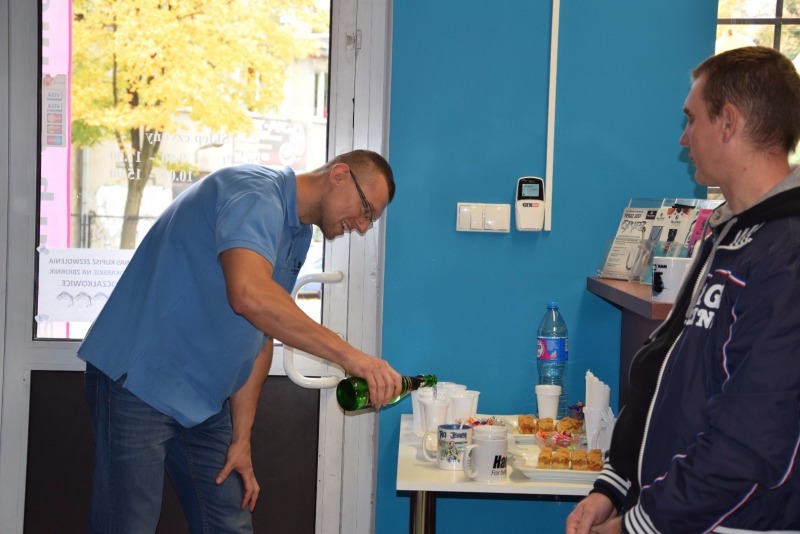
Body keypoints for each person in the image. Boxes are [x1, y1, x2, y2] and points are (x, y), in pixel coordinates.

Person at [78, 149, 403, 533]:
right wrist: (353, 358)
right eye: (366, 210)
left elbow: (259, 335)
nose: (363, 227)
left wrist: (241, 438)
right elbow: (248, 294)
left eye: (371, 220)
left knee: (229, 524)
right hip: (140, 382)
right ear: (339, 175)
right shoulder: (255, 193)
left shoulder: (297, 235)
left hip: (204, 401)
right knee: (129, 525)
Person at [567, 46, 800, 533]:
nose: (683, 136)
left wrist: (640, 525)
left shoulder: (787, 252)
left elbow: (752, 439)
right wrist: (615, 485)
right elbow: (663, 366)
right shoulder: (726, 234)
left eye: (691, 119)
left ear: (728, 123)